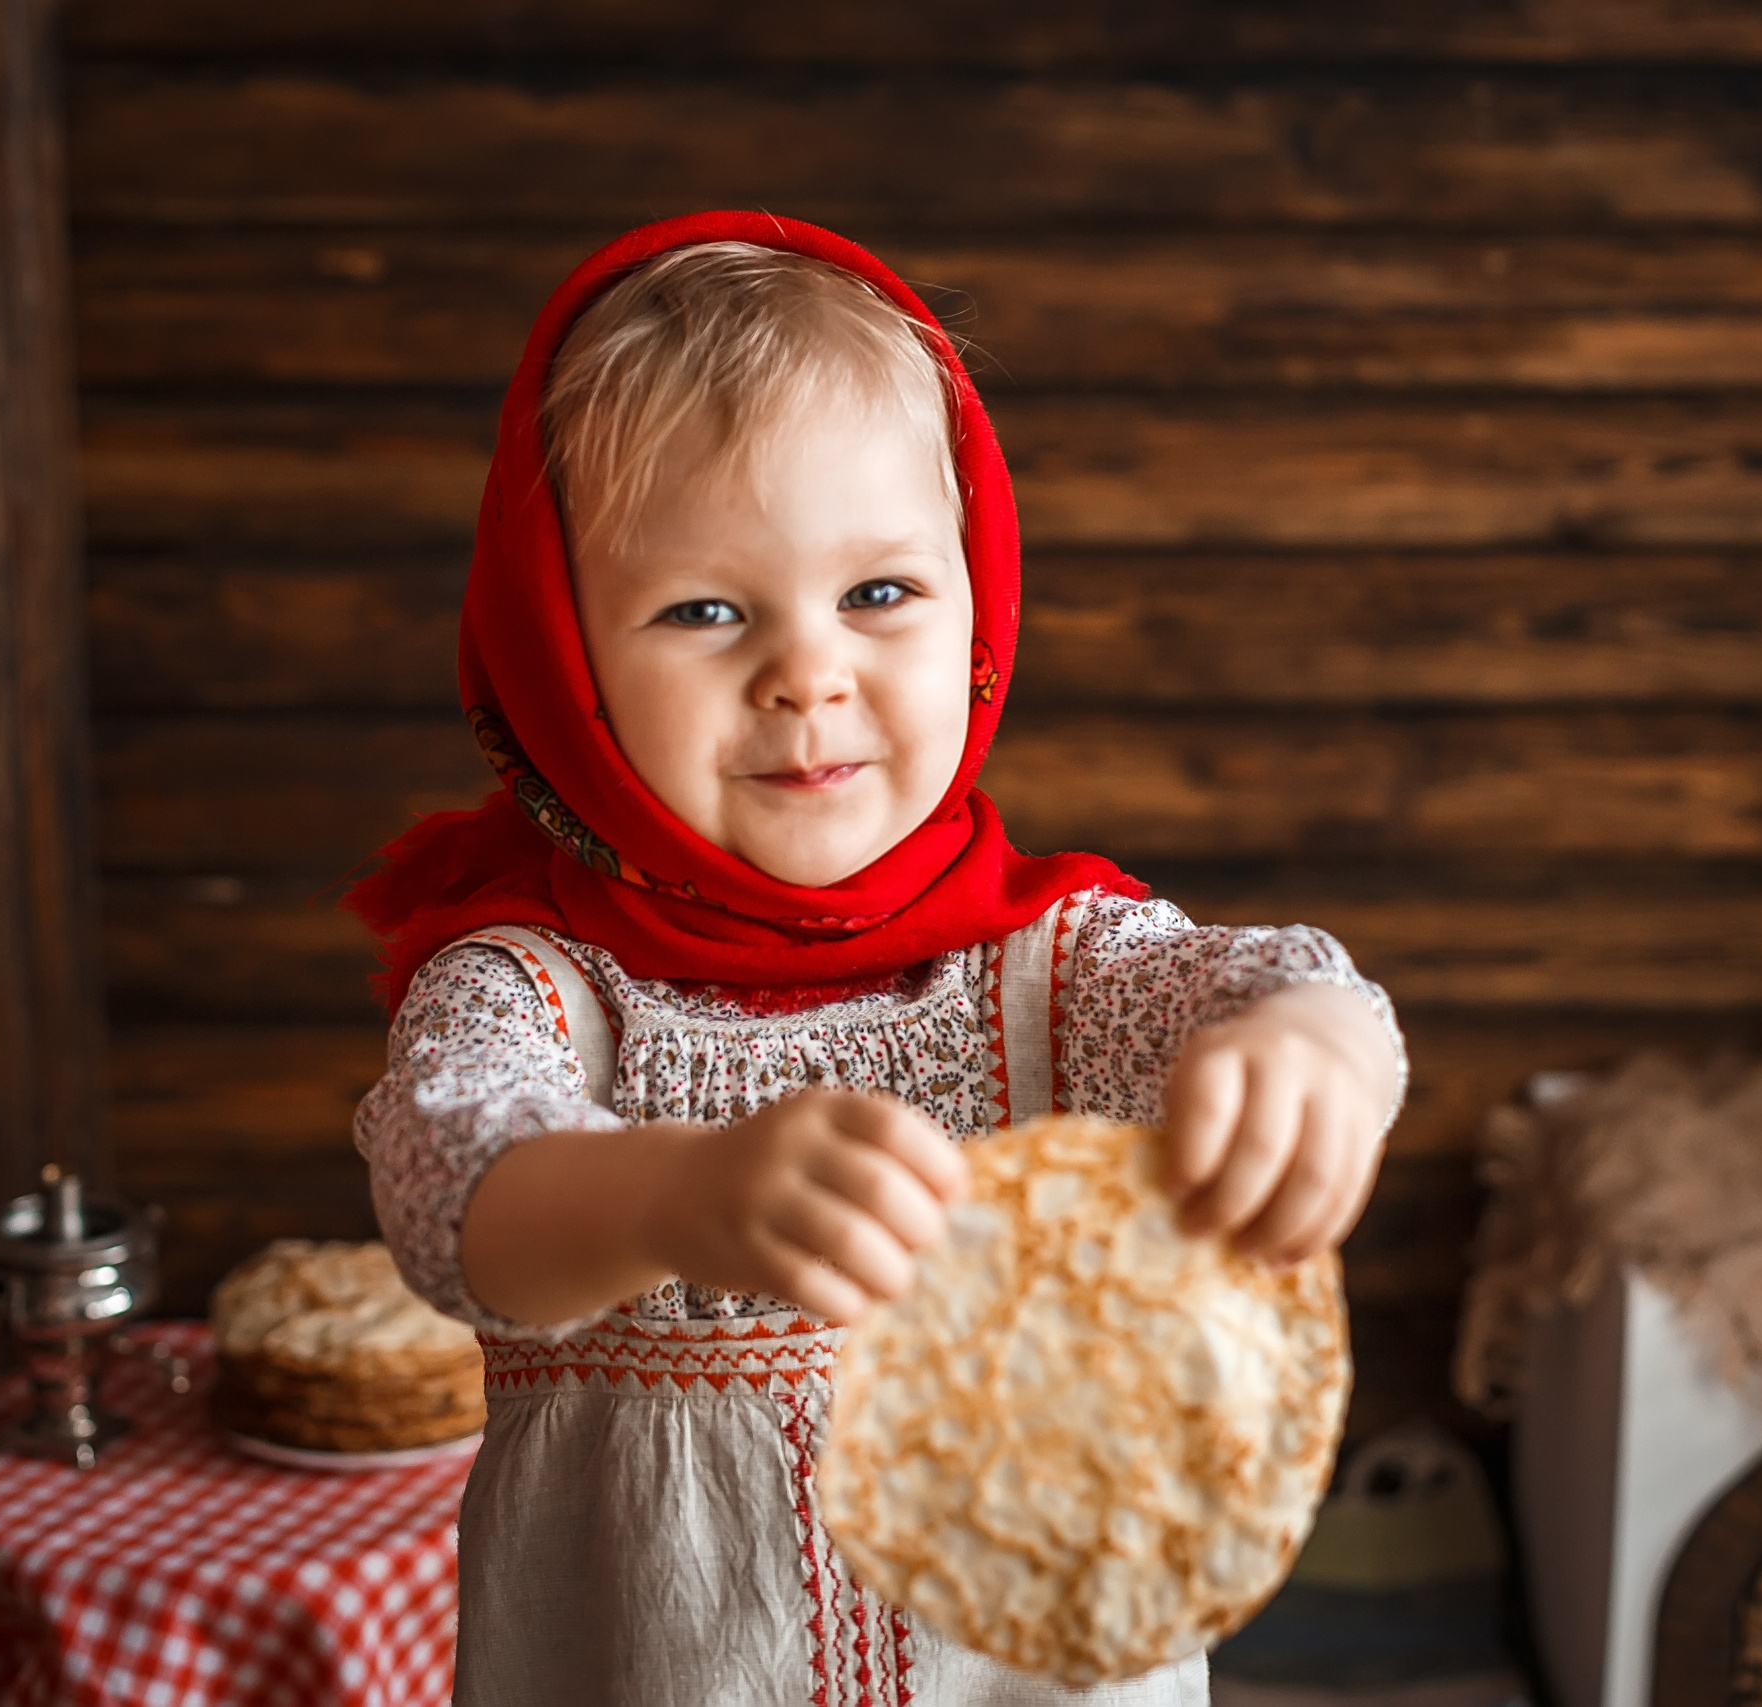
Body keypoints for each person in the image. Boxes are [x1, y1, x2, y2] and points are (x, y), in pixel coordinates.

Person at [347, 212, 1409, 1707]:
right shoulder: (540, 993)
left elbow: (1264, 988)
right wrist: (674, 1194)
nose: (807, 673)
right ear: (562, 661)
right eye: (705, 611)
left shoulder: (1052, 972)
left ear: (976, 602)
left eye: (878, 593)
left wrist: (1314, 1050)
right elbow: (448, 1188)